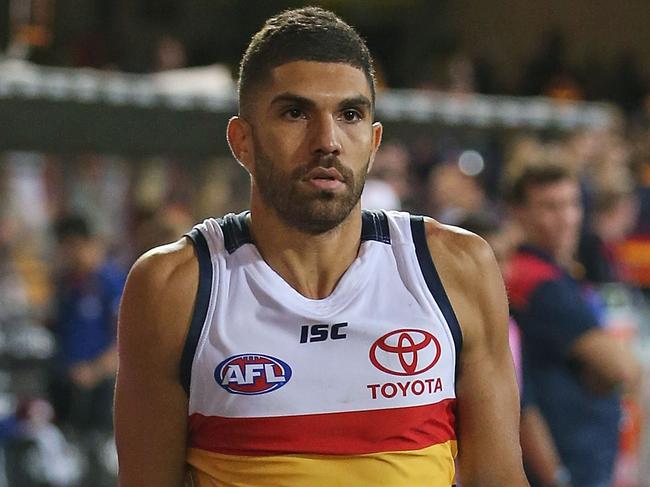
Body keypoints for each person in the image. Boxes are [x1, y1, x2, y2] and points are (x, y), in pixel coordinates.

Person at [114, 7, 528, 487]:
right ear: (241, 141)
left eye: (350, 114)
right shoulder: (174, 288)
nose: (327, 141)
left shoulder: (455, 269)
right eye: (295, 113)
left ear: (373, 141)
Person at [505, 162, 641, 487]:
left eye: (571, 204)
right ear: (519, 213)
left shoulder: (559, 275)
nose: (565, 218)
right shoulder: (538, 281)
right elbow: (623, 369)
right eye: (550, 207)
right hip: (566, 458)